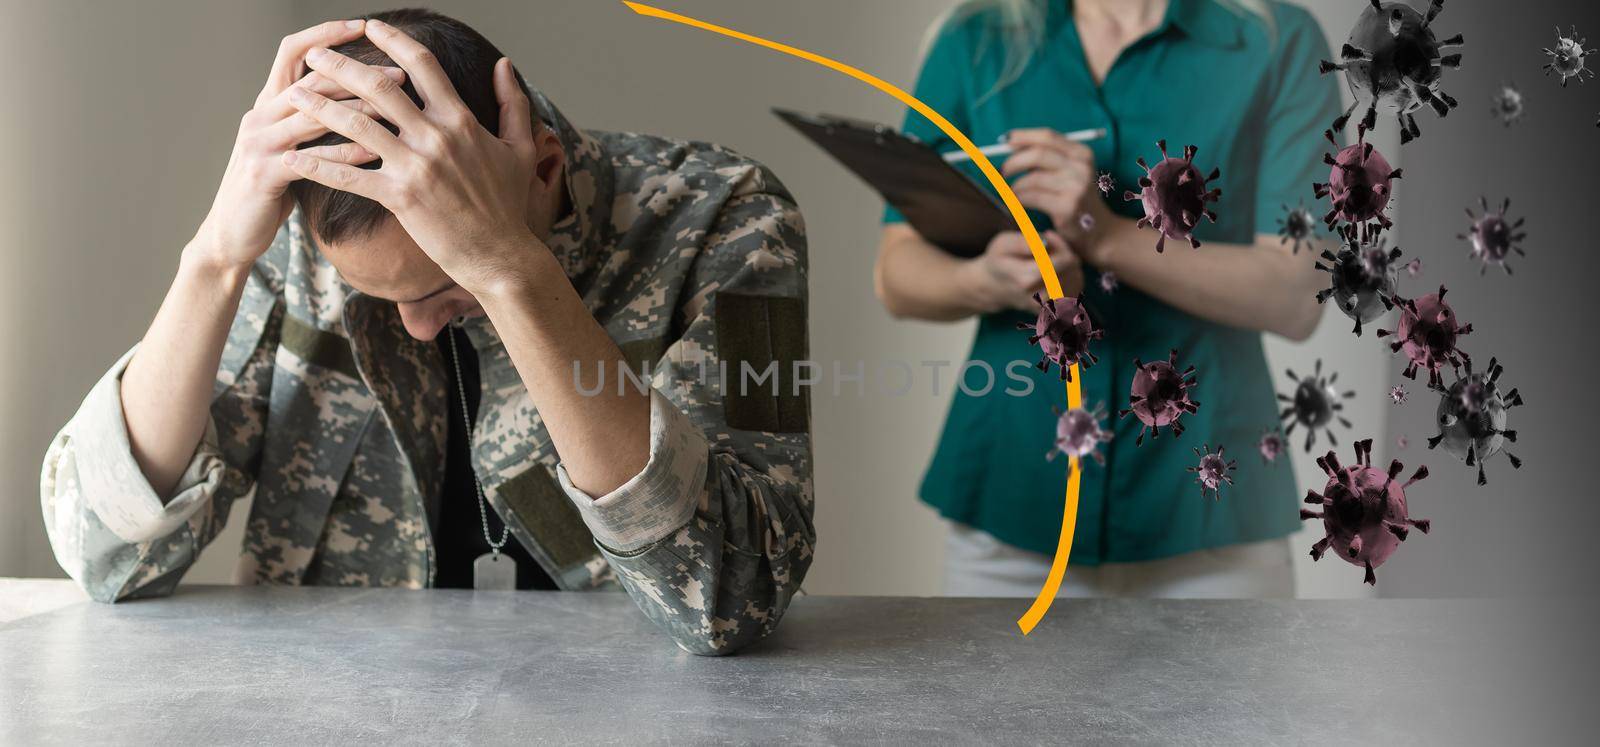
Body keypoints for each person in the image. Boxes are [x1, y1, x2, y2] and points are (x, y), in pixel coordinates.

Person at [39, 9, 814, 655]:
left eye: (443, 285)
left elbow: (728, 598)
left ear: (542, 170)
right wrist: (212, 259)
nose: (412, 325)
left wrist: (509, 271)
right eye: (377, 295)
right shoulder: (302, 217)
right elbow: (106, 555)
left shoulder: (727, 218)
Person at [875, 0, 1340, 597]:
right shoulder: (973, 41)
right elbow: (895, 273)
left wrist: (1105, 233)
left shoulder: (1274, 42)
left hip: (1209, 521)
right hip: (1014, 508)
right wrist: (989, 280)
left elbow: (1299, 294)